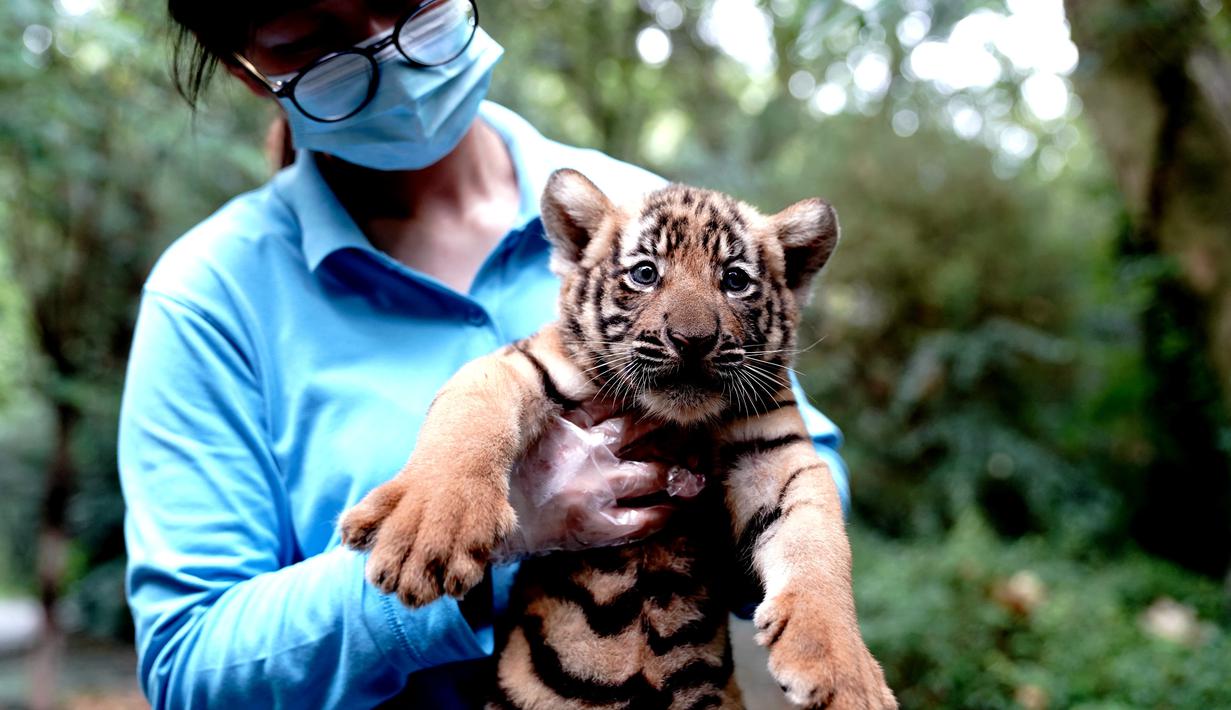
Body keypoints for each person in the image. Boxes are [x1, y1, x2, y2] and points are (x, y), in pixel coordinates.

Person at [118, 0, 852, 707]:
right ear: (247, 69)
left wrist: (736, 535)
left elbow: (796, 457)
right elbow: (190, 668)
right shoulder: (207, 297)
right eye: (312, 32)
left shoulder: (635, 207)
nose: (387, 45)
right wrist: (486, 538)